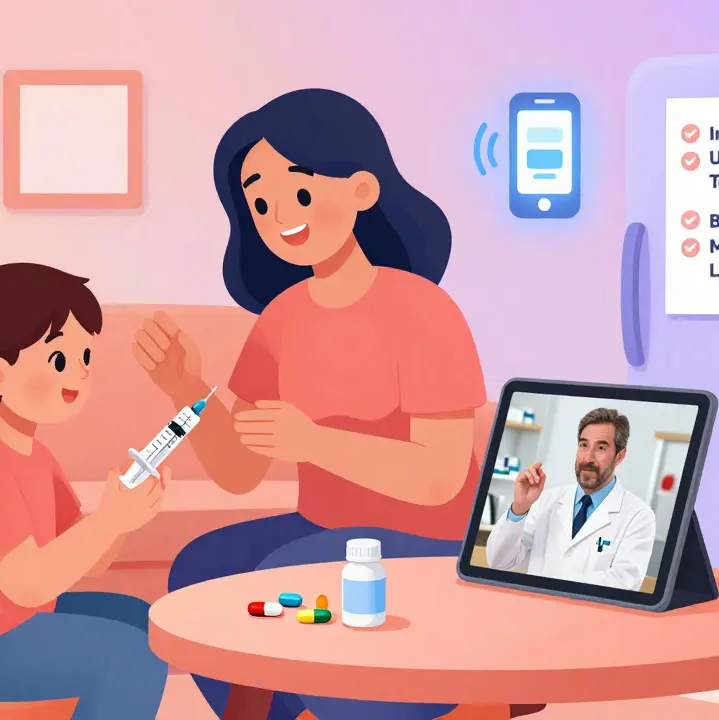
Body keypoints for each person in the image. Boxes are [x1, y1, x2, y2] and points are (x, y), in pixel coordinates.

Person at [132, 89, 486, 720]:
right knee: (200, 571)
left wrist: (314, 441)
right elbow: (240, 471)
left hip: (429, 542)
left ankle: (413, 700)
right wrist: (185, 385)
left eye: (298, 192)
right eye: (259, 204)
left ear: (362, 190)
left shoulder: (422, 310)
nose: (279, 218)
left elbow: (438, 478)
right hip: (323, 531)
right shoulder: (281, 319)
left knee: (286, 573)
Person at [0, 264, 170, 720]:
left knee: (143, 623)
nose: (79, 374)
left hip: (14, 620)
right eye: (60, 360)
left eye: (85, 358)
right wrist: (108, 522)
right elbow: (26, 585)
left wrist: (123, 515)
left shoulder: (36, 455)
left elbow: (89, 562)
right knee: (128, 654)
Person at [485, 408, 656, 591]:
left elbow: (623, 583)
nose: (588, 458)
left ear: (619, 456)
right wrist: (519, 508)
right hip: (536, 607)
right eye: (583, 445)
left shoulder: (638, 516)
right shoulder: (545, 501)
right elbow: (499, 562)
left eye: (601, 448)